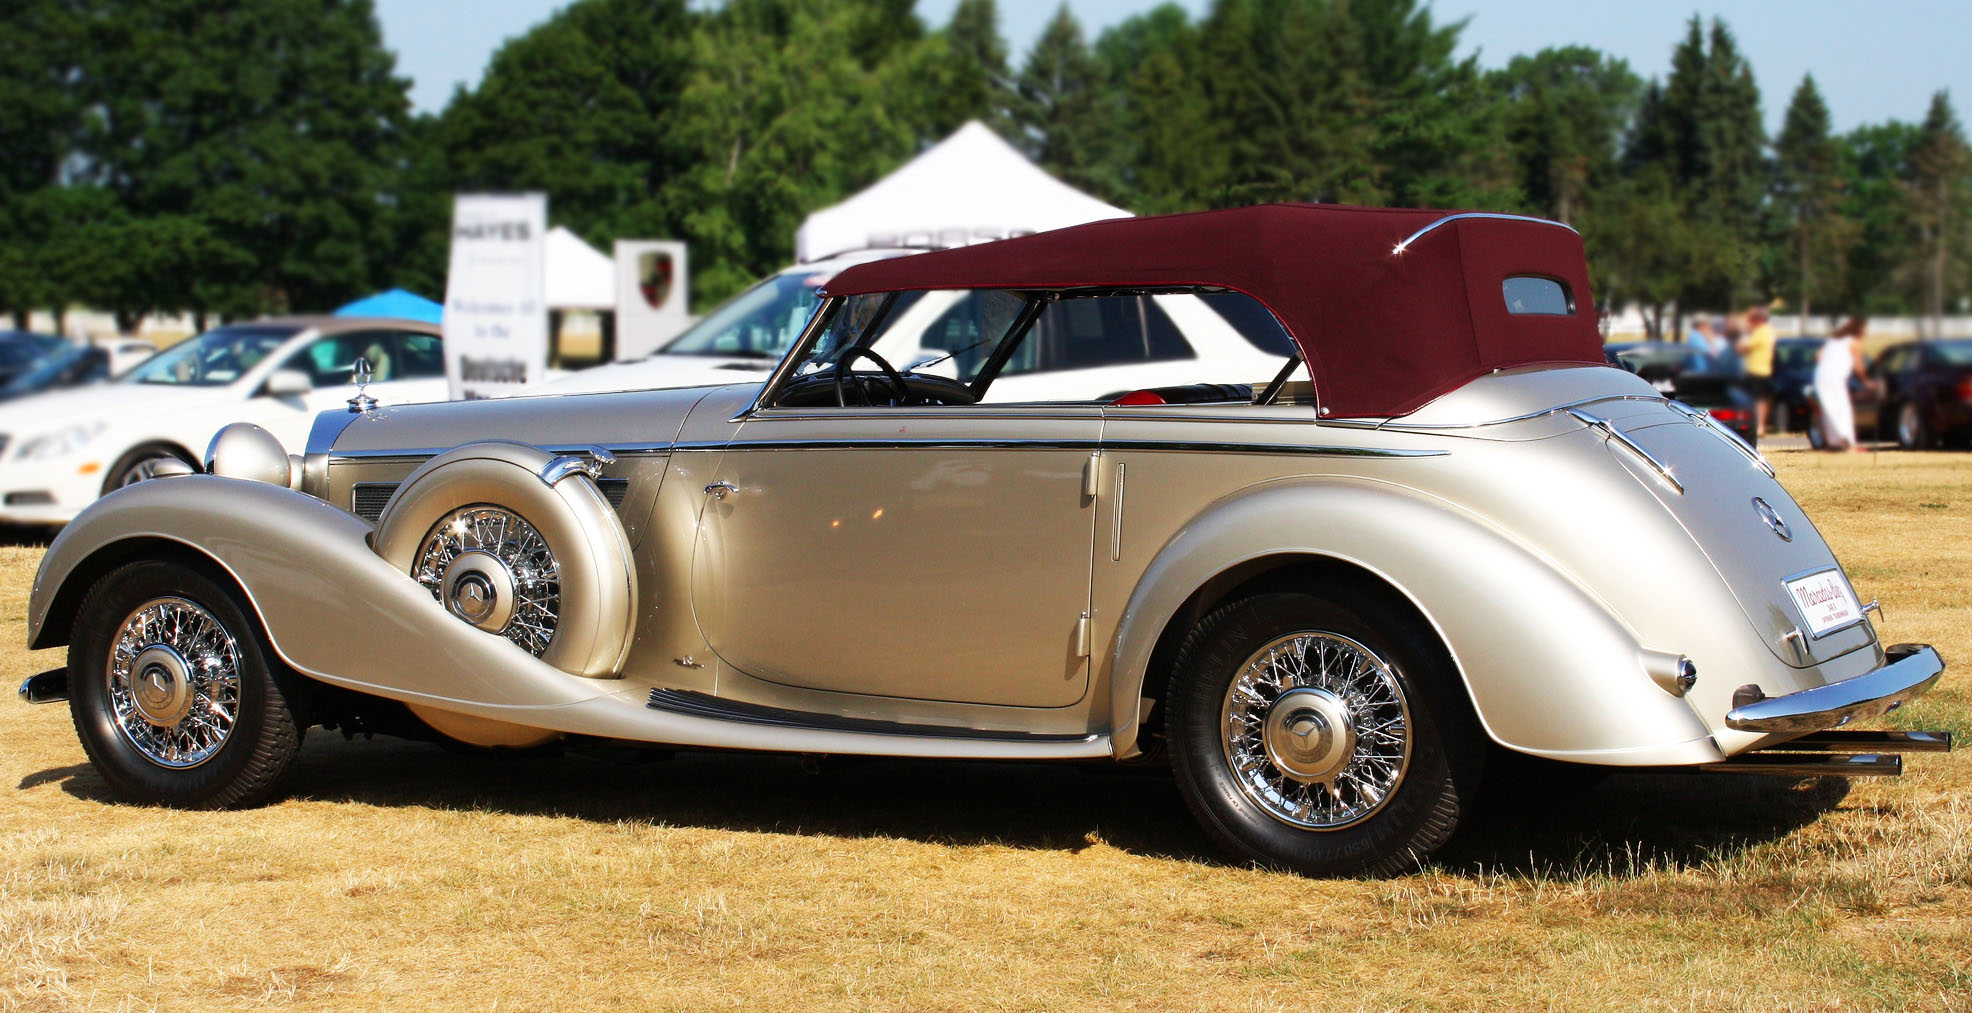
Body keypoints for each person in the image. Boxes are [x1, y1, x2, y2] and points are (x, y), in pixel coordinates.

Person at [1814, 316, 1873, 451]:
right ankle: (1849, 443)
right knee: (1842, 408)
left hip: (1822, 376)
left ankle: (1834, 442)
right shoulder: (1854, 343)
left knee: (1829, 408)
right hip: (1836, 377)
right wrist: (1867, 382)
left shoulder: (1834, 341)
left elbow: (1818, 356)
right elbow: (1859, 367)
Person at [1735, 306, 1777, 436]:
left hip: (1756, 370)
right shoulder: (1769, 331)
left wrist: (1744, 332)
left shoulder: (1760, 332)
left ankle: (1757, 426)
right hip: (1764, 369)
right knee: (1762, 399)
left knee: (1755, 399)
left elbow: (1741, 348)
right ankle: (1760, 425)